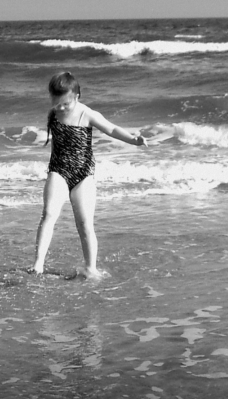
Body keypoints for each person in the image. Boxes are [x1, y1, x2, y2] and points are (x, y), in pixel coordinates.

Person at [31, 71, 147, 280]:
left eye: (65, 104)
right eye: (56, 103)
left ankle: (90, 268)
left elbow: (111, 129)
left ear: (77, 97)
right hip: (58, 169)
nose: (61, 108)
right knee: (48, 214)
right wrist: (53, 169)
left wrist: (133, 140)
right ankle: (38, 264)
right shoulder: (54, 113)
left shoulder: (87, 114)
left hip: (84, 173)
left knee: (84, 223)